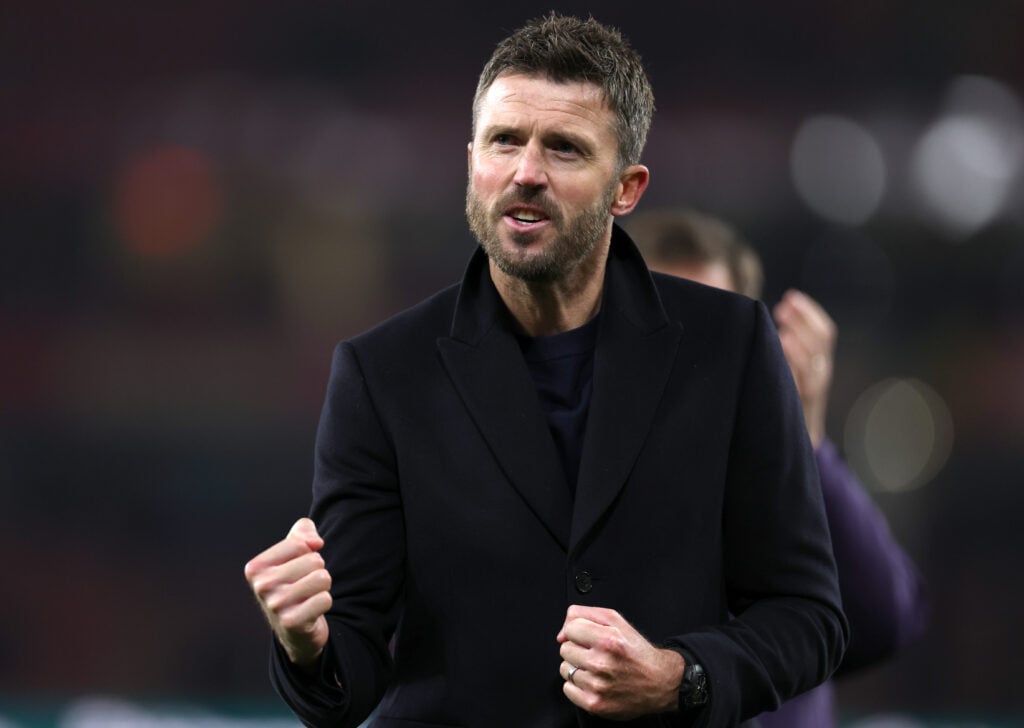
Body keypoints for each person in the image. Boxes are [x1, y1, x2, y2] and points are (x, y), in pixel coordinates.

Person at [243, 14, 848, 727]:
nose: (526, 173)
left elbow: (808, 617)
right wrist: (305, 644)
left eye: (563, 148)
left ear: (627, 189)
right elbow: (350, 674)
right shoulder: (381, 373)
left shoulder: (731, 345)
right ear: (473, 162)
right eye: (505, 141)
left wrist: (678, 676)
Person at [625, 207, 929, 728]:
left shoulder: (770, 473)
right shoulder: (586, 479)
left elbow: (882, 623)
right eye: (665, 323)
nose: (686, 355)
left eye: (709, 325)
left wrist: (802, 435)